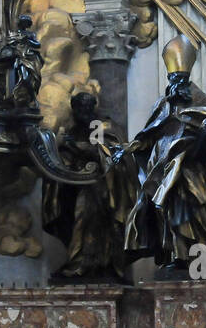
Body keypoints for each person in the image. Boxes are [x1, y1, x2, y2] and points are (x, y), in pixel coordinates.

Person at [115, 35, 206, 271]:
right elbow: (147, 136)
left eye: (181, 79)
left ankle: (200, 255)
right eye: (173, 78)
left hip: (191, 167)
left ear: (188, 79)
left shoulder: (201, 99)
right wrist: (126, 150)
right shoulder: (163, 104)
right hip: (163, 169)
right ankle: (179, 256)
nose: (177, 84)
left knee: (192, 208)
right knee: (168, 212)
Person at [41, 92, 136, 279]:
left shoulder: (99, 127)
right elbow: (62, 158)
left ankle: (85, 264)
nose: (82, 112)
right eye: (78, 108)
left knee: (85, 219)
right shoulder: (72, 130)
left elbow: (103, 152)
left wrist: (73, 147)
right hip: (74, 186)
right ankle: (81, 262)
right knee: (76, 220)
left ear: (92, 108)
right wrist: (63, 149)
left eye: (86, 108)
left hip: (100, 188)